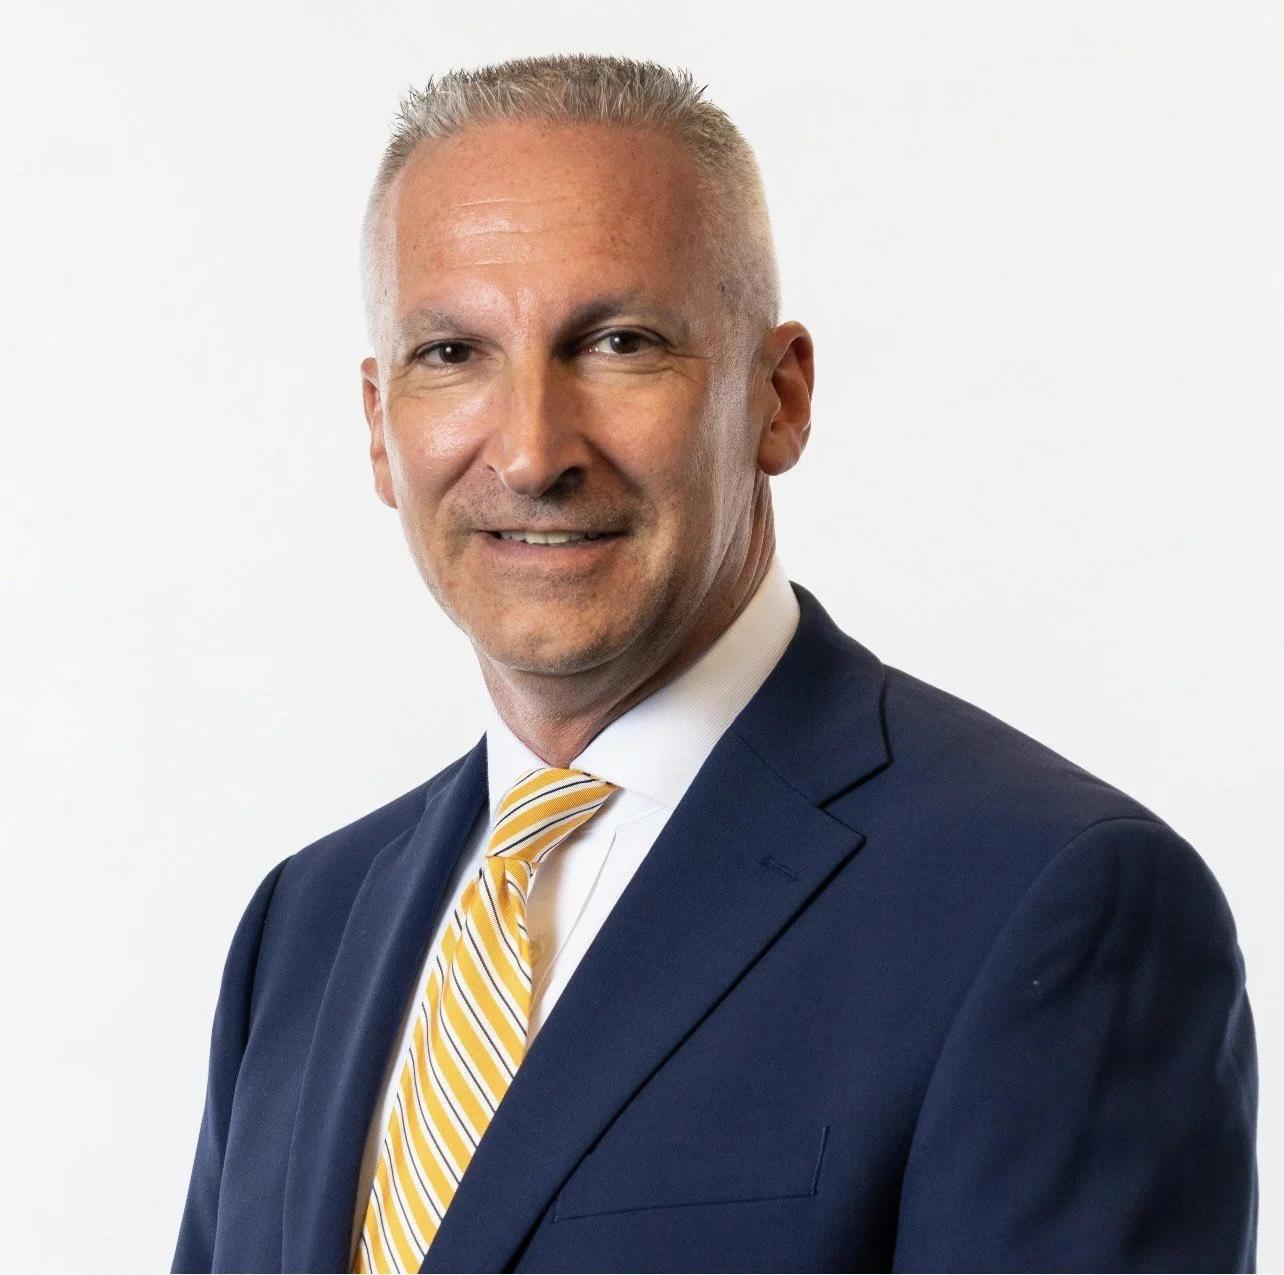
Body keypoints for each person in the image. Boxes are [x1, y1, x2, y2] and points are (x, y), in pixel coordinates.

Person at [173, 55, 1257, 1274]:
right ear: (379, 427)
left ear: (781, 397)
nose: (531, 451)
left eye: (620, 342)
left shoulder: (1048, 905)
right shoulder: (304, 930)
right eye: (450, 355)